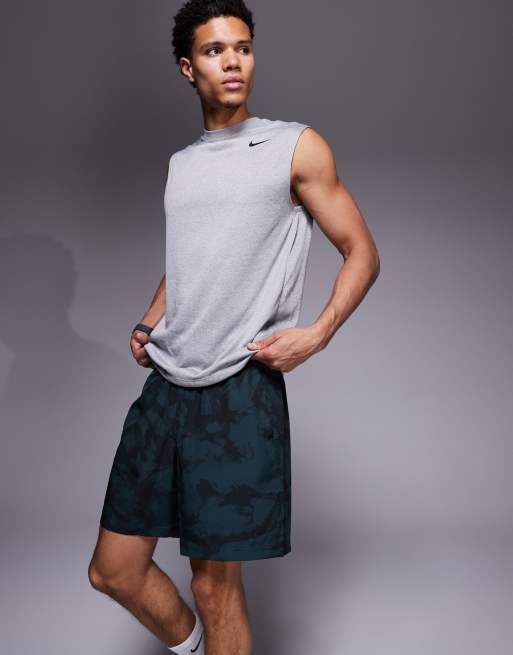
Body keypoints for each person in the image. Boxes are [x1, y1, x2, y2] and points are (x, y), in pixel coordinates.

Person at [87, 1, 380, 653]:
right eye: (215, 50)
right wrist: (150, 318)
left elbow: (362, 250)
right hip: (167, 386)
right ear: (187, 68)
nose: (232, 61)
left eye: (242, 47)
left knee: (216, 588)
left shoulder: (294, 146)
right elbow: (191, 259)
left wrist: (318, 332)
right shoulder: (183, 163)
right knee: (113, 569)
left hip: (238, 390)